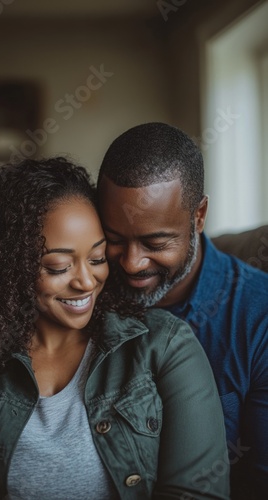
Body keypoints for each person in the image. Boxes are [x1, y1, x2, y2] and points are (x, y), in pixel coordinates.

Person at [0, 157, 229, 500]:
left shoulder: (163, 346)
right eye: (59, 266)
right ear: (8, 268)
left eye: (97, 259)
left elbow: (196, 493)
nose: (86, 281)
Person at [97, 122, 268, 500]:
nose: (131, 262)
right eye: (114, 239)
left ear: (199, 215)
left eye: (155, 242)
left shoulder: (259, 320)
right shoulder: (82, 296)